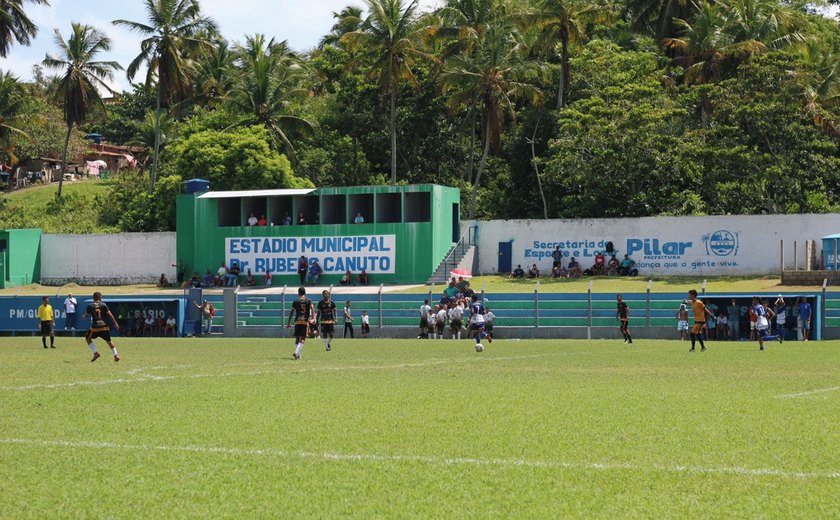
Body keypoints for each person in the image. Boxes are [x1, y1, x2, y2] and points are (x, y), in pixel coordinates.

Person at [82, 291, 120, 362]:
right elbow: (110, 315)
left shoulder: (90, 306)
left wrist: (84, 316)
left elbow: (86, 316)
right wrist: (115, 323)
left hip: (95, 328)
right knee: (109, 341)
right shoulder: (104, 305)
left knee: (87, 339)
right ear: (100, 298)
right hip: (104, 327)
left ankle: (95, 353)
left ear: (93, 298)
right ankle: (116, 355)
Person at [287, 287, 314, 360]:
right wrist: (313, 318)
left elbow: (291, 312)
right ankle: (296, 352)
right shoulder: (308, 301)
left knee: (297, 337)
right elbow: (312, 307)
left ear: (299, 293)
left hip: (297, 321)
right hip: (304, 321)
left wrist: (289, 322)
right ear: (305, 293)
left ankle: (298, 355)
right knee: (302, 338)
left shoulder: (296, 301)